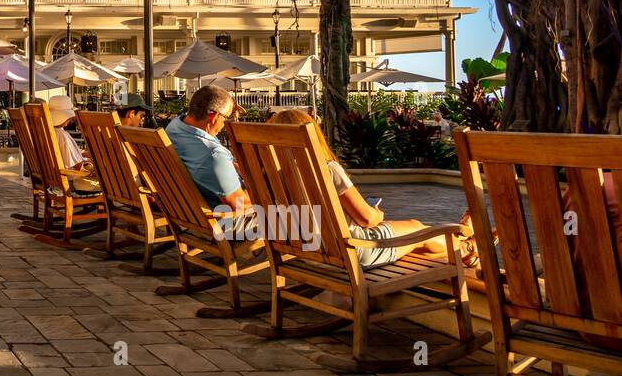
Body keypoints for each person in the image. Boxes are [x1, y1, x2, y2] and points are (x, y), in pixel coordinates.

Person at [267, 109, 478, 268]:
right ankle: (469, 245)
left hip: (306, 251)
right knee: (418, 229)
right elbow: (366, 219)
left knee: (416, 242)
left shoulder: (272, 176)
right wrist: (376, 215)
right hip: (351, 251)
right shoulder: (326, 169)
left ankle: (466, 243)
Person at [165, 86, 251, 216]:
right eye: (226, 118)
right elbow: (239, 205)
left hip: (186, 213)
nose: (224, 125)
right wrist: (266, 190)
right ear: (213, 117)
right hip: (224, 222)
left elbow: (213, 167)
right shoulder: (213, 154)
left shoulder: (174, 127)